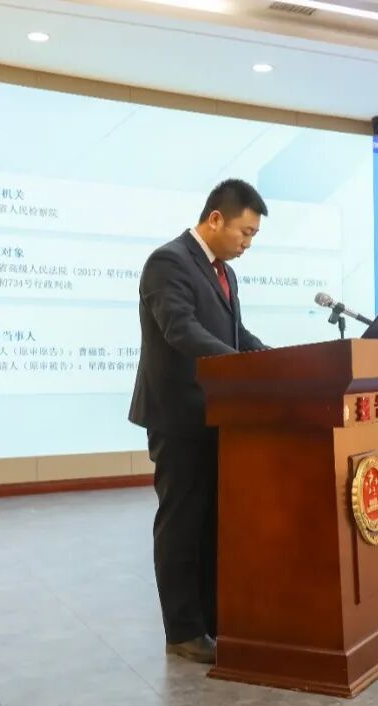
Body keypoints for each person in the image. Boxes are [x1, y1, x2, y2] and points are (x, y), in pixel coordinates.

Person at [129, 179, 269, 664]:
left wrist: (272, 359)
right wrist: (238, 364)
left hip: (217, 414)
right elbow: (181, 329)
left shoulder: (224, 273)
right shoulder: (168, 262)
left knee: (212, 522)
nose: (247, 244)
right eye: (245, 233)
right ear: (215, 219)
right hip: (179, 417)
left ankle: (212, 621)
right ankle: (184, 630)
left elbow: (236, 332)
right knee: (182, 522)